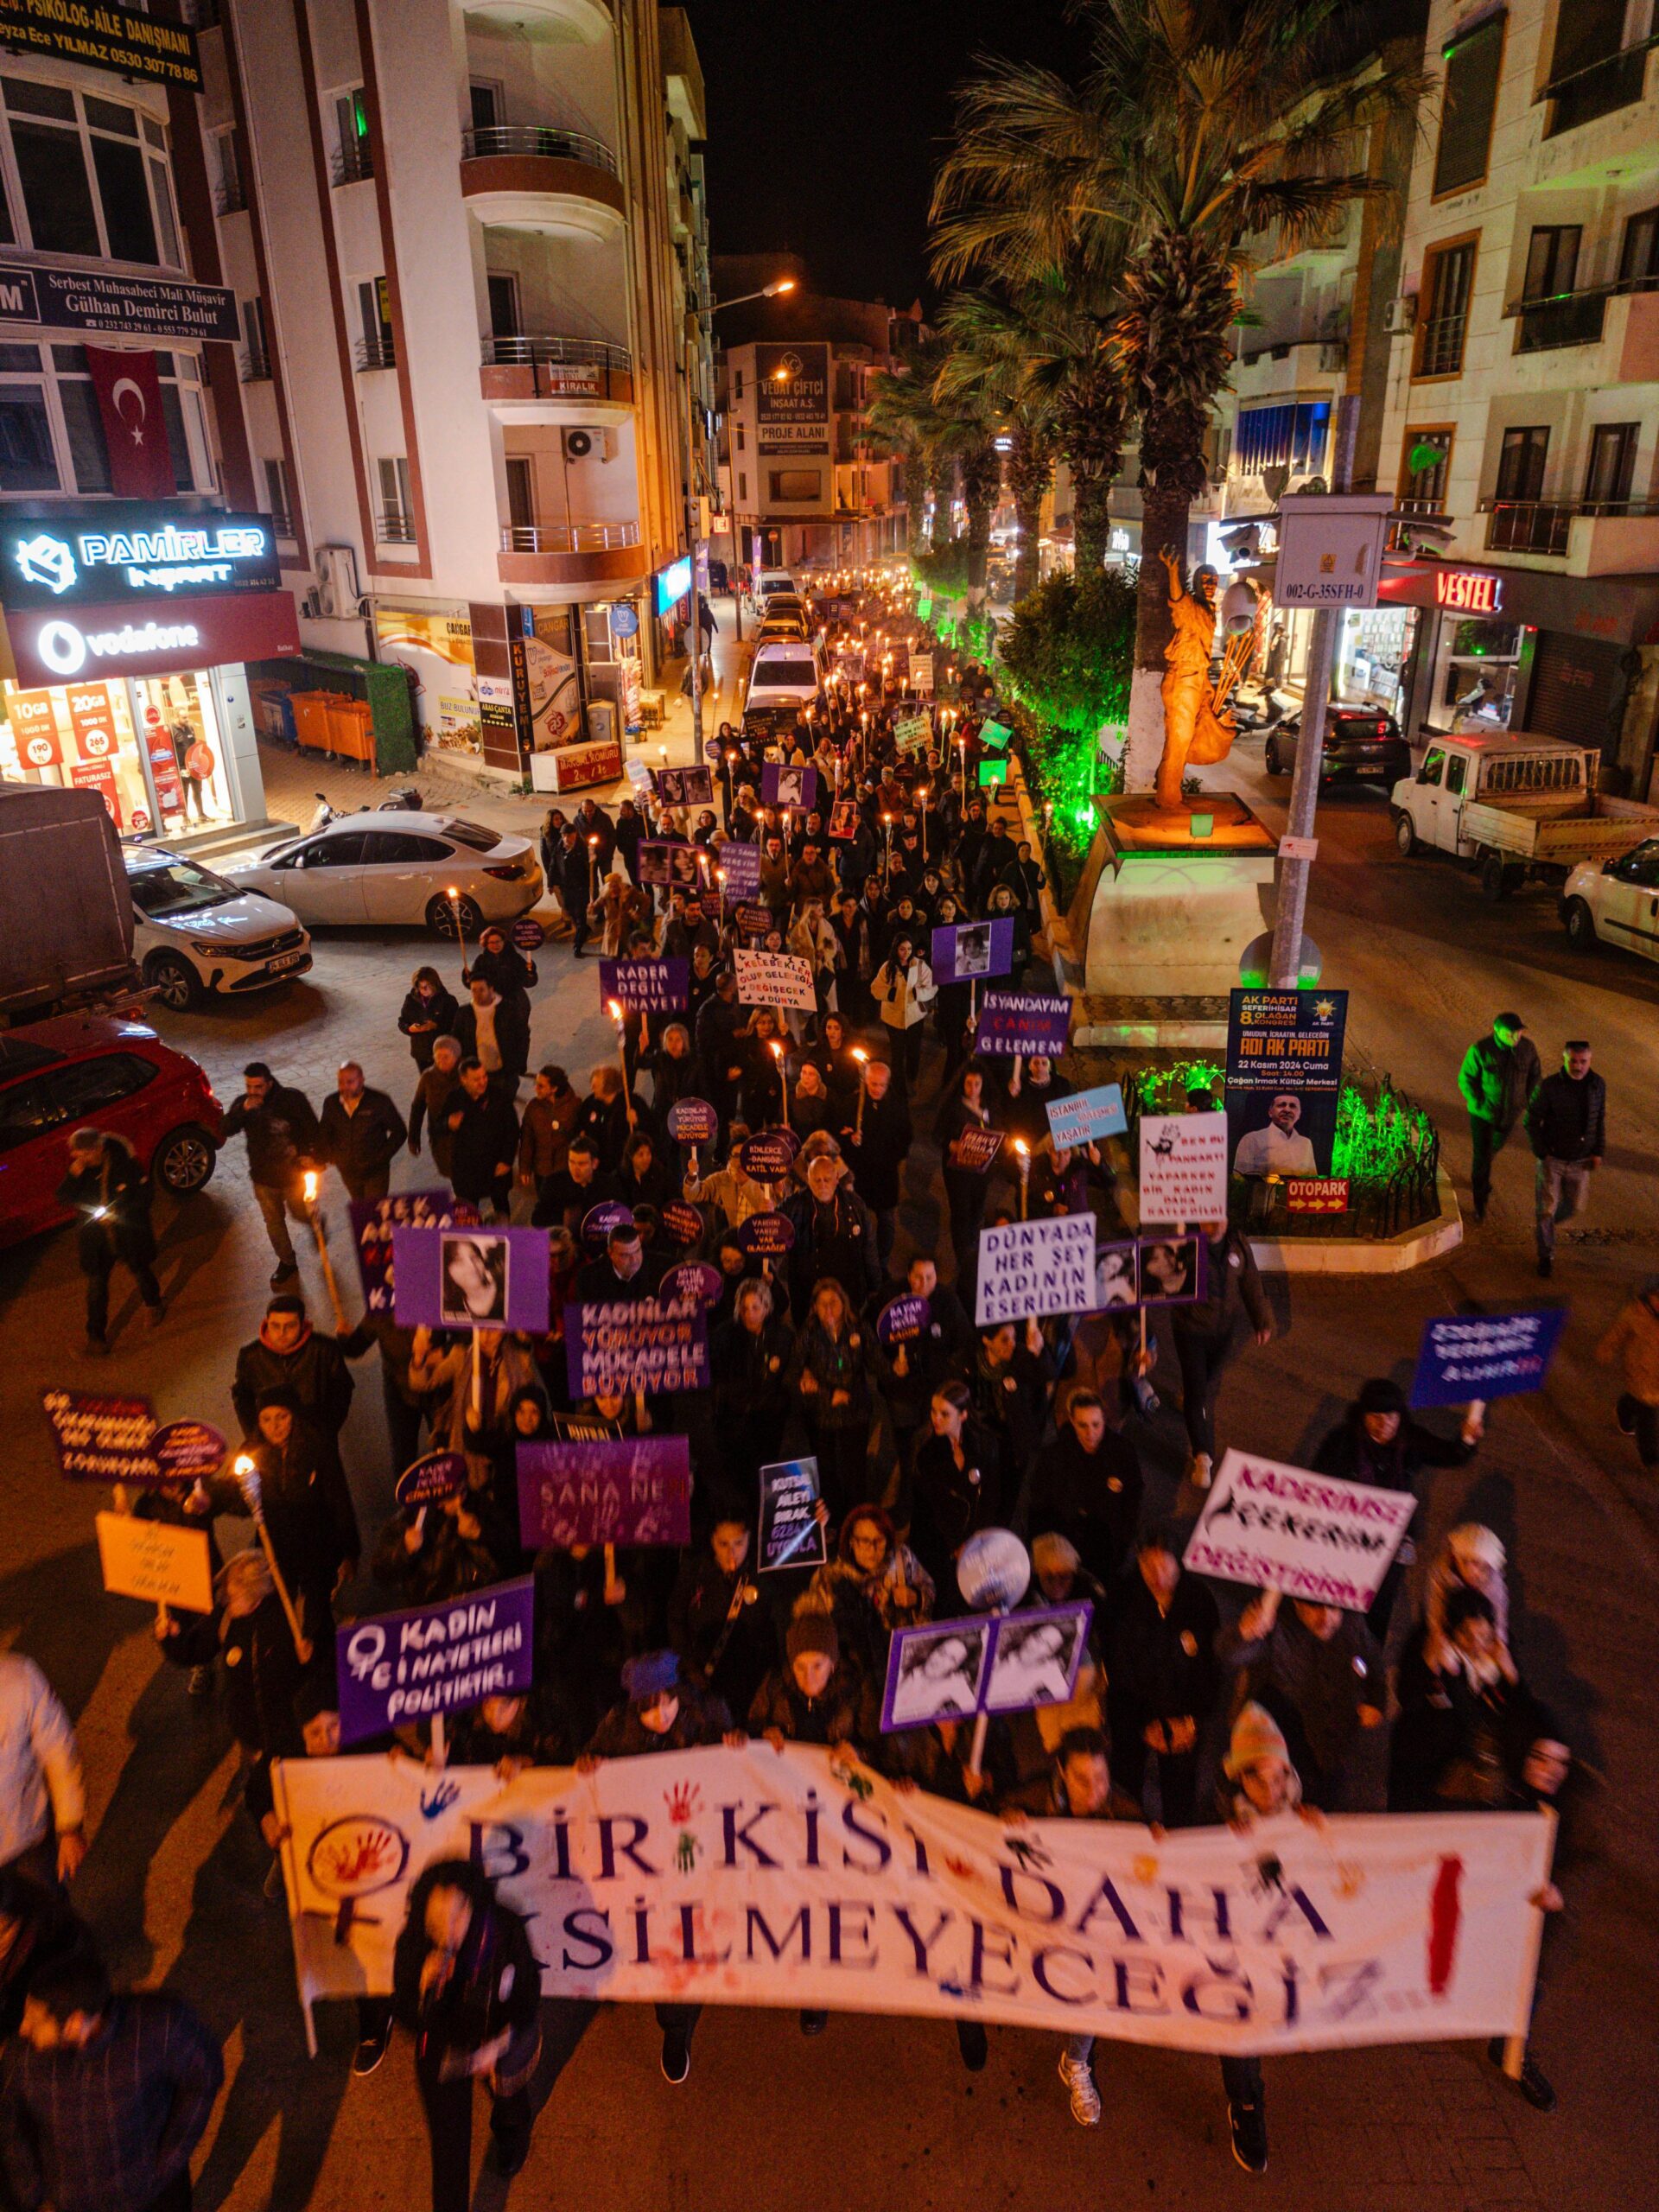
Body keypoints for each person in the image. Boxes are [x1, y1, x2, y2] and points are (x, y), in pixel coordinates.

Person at [582, 1651, 741, 2083]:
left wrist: (736, 1743)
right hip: (648, 1864)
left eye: (666, 1702)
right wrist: (589, 1764)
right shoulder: (618, 1729)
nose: (661, 1715)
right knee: (660, 1942)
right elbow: (590, 1766)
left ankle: (681, 2017)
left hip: (699, 1856)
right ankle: (674, 2027)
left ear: (677, 1695)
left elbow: (742, 1767)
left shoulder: (706, 1716)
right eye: (648, 1709)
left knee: (695, 1937)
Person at [1, 1953, 222, 2212]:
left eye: (35, 2020)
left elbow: (203, 2078)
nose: (23, 2028)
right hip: (73, 2203)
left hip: (152, 2198)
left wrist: (171, 2157)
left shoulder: (159, 2029)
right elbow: (9, 2122)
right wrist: (29, 2191)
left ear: (75, 2023)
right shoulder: (22, 2057)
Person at [391, 1860, 543, 2204]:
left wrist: (499, 2044)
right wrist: (421, 1988)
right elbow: (403, 2013)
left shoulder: (504, 1929)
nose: (448, 1931)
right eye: (436, 1921)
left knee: (510, 2103)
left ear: (474, 1903)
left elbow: (528, 1993)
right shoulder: (415, 1944)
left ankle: (511, 2134)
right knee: (449, 2151)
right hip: (445, 2050)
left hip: (496, 2035)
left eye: (458, 1914)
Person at [1313, 1378, 1482, 1640]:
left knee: (1380, 1601)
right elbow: (1314, 1484)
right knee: (1338, 1594)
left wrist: (1467, 1439)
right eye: (1376, 1417)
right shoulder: (1341, 1442)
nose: (1384, 1425)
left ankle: (1369, 1652)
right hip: (1347, 1533)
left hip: (1394, 1537)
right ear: (1363, 1416)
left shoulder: (1410, 1438)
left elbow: (1450, 1455)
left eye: (1391, 1417)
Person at [1219, 1587, 1388, 1812]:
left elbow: (1374, 1664)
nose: (1326, 1617)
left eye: (1333, 1608)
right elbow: (1231, 1655)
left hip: (1336, 1745)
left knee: (1330, 1810)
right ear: (1297, 1603)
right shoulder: (1275, 1623)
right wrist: (1245, 1633)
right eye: (1315, 1608)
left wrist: (1375, 1701)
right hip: (1284, 1753)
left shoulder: (1352, 1623)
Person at [1107, 1525, 1219, 1828]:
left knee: (1181, 1795)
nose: (1157, 1574)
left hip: (1184, 1717)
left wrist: (1191, 1721)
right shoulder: (1125, 1600)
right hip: (1136, 1714)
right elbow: (1120, 1670)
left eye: (1164, 1565)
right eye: (1148, 1566)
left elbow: (1210, 1668)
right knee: (1126, 1784)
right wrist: (1144, 1726)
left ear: (1178, 1562)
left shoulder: (1199, 1600)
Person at [1164, 1219, 1272, 1487]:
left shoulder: (1237, 1243)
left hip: (1223, 1332)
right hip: (1190, 1331)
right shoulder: (1185, 1244)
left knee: (1207, 1379)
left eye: (1219, 1216)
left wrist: (1262, 1320)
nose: (1215, 1224)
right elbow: (1163, 1280)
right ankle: (1202, 1456)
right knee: (1197, 1391)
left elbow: (1251, 1281)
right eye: (1209, 1217)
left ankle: (1191, 1396)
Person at [1022, 1391, 1143, 1592]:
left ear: (1104, 1420)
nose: (1090, 1433)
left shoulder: (1123, 1453)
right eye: (1083, 1425)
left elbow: (1133, 1499)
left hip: (1104, 1551)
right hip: (1061, 1549)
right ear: (1072, 1421)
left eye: (1096, 1425)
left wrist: (1122, 1544)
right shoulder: (1053, 1456)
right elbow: (1038, 1506)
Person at [56, 1128, 163, 1353]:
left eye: (86, 1153)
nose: (81, 1157)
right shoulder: (79, 1170)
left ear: (99, 1148)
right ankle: (96, 1338)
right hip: (97, 1241)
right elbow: (63, 1197)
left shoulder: (124, 1164)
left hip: (126, 1235)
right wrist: (72, 1176)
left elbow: (146, 1195)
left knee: (140, 1271)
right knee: (96, 1287)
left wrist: (119, 1212)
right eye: (78, 1153)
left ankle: (154, 1304)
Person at [221, 1063, 321, 1287]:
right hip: (263, 1179)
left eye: (258, 1087)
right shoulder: (244, 1104)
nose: (253, 1091)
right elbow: (225, 1128)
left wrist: (310, 1156)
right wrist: (242, 1110)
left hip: (293, 1175)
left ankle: (315, 1223)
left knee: (300, 1212)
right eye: (249, 1086)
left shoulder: (291, 1099)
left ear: (270, 1083)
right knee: (274, 1222)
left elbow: (312, 1128)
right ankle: (287, 1262)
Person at [0, 1656, 86, 1889]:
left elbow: (59, 1751)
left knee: (46, 1904)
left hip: (27, 1838)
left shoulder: (19, 1678)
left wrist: (70, 1828)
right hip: (27, 1834)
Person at [1526, 1039, 1605, 1278]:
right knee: (1546, 1210)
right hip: (1554, 1160)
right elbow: (1531, 1120)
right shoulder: (1550, 1086)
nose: (1578, 1066)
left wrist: (1598, 1151)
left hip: (1581, 1161)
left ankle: (1544, 1229)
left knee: (1573, 1207)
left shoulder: (1597, 1085)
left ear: (1590, 1060)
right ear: (1565, 1059)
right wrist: (1542, 1152)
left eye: (1583, 1061)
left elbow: (1599, 1119)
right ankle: (1546, 1256)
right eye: (1573, 1061)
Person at [1458, 1012, 1541, 1224]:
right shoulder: (1481, 1050)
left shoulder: (1527, 1049)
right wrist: (1478, 1102)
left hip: (1510, 1114)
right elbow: (1466, 1078)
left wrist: (1527, 1100)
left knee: (1494, 1148)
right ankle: (1480, 1202)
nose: (1515, 1037)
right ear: (1497, 1031)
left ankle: (1481, 1175)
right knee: (1482, 1158)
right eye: (1510, 1034)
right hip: (1484, 1115)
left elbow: (1535, 1076)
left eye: (1518, 1032)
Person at [842, 1055, 911, 1273]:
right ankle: (859, 1257)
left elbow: (905, 1138)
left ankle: (882, 1261)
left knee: (886, 1220)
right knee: (857, 1218)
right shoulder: (853, 1103)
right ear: (865, 1081)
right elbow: (840, 1132)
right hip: (860, 1174)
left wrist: (891, 1156)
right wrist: (850, 1138)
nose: (877, 1089)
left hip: (885, 1174)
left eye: (882, 1085)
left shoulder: (896, 1106)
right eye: (873, 1084)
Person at [316, 1061, 407, 1204]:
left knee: (375, 1208)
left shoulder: (379, 1101)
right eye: (341, 1082)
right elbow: (324, 1131)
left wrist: (381, 1159)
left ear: (362, 1080)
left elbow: (400, 1132)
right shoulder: (331, 1103)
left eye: (350, 1082)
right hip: (348, 1172)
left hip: (375, 1172)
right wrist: (334, 1156)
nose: (344, 1087)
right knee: (359, 1206)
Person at [1597, 1274, 1659, 1470]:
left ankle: (1623, 1411)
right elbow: (1617, 1333)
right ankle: (1650, 1456)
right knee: (1647, 1410)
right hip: (1639, 1369)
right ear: (1649, 1296)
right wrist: (1606, 1349)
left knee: (1637, 1401)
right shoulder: (1635, 1313)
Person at [445, 1058, 519, 1219]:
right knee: (467, 1212)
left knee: (501, 1205)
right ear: (464, 1080)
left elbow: (512, 1130)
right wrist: (448, 1123)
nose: (483, 1082)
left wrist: (507, 1160)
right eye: (476, 1079)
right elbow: (436, 1127)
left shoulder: (499, 1096)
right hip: (467, 1170)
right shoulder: (454, 1099)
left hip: (496, 1165)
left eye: (484, 1076)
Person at [870, 932, 937, 1092]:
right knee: (897, 1053)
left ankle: (912, 1078)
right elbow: (875, 987)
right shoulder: (888, 967)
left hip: (915, 1017)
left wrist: (918, 994)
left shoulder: (920, 966)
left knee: (914, 1051)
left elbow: (932, 987)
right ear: (896, 949)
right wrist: (890, 994)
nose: (906, 952)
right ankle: (898, 1086)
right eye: (902, 949)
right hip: (893, 1018)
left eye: (909, 949)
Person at [408, 1035, 464, 1179]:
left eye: (446, 1057)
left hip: (466, 1136)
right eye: (438, 1056)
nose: (441, 1061)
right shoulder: (428, 1077)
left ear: (457, 1056)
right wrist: (413, 1138)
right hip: (440, 1137)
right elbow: (417, 1107)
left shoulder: (466, 1075)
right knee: (452, 1173)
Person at [1231, 1092, 1318, 1179]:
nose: (1287, 1110)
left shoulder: (1306, 1143)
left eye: (1292, 1106)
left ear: (1299, 1114)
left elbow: (1312, 1179)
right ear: (1270, 1112)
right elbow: (1239, 1179)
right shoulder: (1251, 1139)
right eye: (1281, 1105)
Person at [399, 967, 460, 1072]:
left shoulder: (448, 1001)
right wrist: (409, 1029)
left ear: (435, 984)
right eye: (421, 986)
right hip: (421, 1053)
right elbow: (402, 1021)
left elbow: (455, 1026)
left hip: (442, 1051)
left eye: (427, 986)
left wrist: (436, 1026)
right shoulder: (411, 1000)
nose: (424, 990)